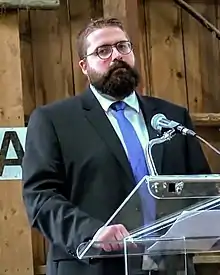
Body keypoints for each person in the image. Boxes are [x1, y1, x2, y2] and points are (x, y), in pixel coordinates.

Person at [22, 17, 211, 275]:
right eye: (103, 51)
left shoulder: (172, 117)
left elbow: (201, 188)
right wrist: (92, 233)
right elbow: (40, 198)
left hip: (172, 267)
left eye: (123, 47)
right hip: (94, 266)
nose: (116, 56)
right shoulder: (54, 121)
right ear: (84, 66)